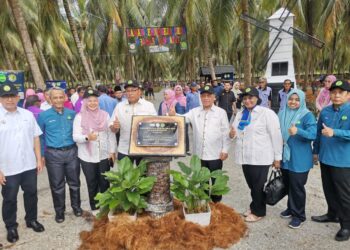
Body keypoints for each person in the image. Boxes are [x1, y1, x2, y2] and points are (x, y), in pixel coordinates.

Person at [169, 85, 231, 202]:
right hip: (200, 154)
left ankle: (216, 204)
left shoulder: (221, 112)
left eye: (209, 96)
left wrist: (225, 150)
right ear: (200, 98)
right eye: (203, 96)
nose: (206, 98)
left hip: (215, 154)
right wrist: (174, 115)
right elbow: (183, 118)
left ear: (214, 97)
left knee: (216, 181)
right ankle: (204, 203)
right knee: (202, 181)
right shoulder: (194, 111)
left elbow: (225, 133)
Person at [230, 87, 282, 222]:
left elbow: (276, 136)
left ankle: (259, 212)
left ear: (257, 98)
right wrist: (231, 134)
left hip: (260, 157)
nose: (247, 101)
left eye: (250, 98)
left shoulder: (267, 113)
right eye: (245, 98)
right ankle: (254, 206)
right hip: (245, 156)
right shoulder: (241, 114)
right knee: (252, 185)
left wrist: (277, 158)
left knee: (258, 185)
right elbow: (234, 132)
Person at [0, 84, 45, 243]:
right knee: (10, 198)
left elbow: (36, 137)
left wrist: (39, 159)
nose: (10, 99)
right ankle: (11, 226)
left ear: (19, 97)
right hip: (8, 168)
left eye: (13, 96)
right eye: (6, 96)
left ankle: (31, 219)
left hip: (28, 165)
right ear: (0, 98)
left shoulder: (27, 114)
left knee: (31, 194)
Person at [312, 80, 350, 241]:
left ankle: (346, 226)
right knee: (328, 189)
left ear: (348, 95)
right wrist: (315, 152)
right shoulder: (325, 111)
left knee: (344, 195)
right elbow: (319, 133)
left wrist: (335, 132)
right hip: (326, 158)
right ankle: (332, 214)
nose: (336, 95)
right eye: (334, 92)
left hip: (343, 161)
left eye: (340, 92)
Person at [37, 87, 82, 223]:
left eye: (60, 97)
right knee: (57, 185)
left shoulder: (72, 114)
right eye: (55, 97)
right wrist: (42, 156)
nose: (58, 100)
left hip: (71, 152)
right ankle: (60, 211)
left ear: (65, 98)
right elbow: (40, 137)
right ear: (49, 99)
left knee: (74, 182)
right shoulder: (43, 116)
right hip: (53, 154)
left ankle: (76, 207)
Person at [278, 89, 317, 229]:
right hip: (285, 157)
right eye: (290, 99)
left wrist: (298, 131)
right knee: (288, 184)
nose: (293, 102)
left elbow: (313, 134)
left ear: (301, 101)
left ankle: (299, 215)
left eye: (296, 99)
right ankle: (291, 208)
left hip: (300, 159)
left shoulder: (307, 115)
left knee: (297, 187)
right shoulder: (282, 113)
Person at [73, 89, 116, 214]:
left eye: (95, 100)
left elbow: (110, 135)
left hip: (104, 155)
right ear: (85, 102)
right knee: (92, 183)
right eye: (90, 100)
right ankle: (95, 208)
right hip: (87, 157)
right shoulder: (79, 117)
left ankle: (107, 206)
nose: (93, 103)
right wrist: (87, 138)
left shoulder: (105, 115)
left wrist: (112, 151)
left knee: (105, 182)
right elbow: (75, 137)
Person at [110, 80, 157, 165]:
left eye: (133, 90)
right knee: (125, 177)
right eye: (127, 91)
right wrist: (115, 127)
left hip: (144, 148)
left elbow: (155, 126)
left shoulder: (149, 106)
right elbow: (112, 128)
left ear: (139, 91)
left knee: (144, 177)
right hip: (125, 149)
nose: (130, 93)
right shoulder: (119, 106)